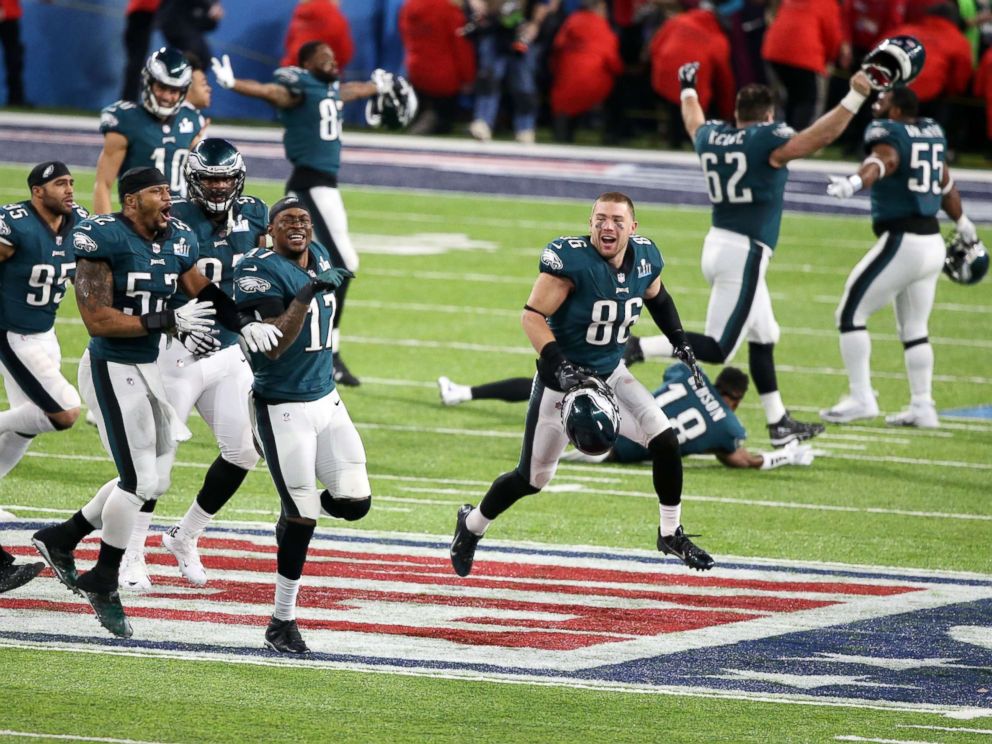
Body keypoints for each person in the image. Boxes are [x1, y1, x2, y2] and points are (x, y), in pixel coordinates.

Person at [30, 167, 281, 638]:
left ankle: (61, 538)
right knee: (140, 479)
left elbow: (203, 290)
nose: (168, 198)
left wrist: (242, 322)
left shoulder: (178, 238)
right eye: (157, 192)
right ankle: (104, 577)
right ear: (131, 201)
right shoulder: (101, 237)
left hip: (148, 369)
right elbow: (98, 320)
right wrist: (169, 319)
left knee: (155, 479)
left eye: (169, 190)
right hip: (111, 367)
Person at [449, 192, 715, 581]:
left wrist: (678, 338)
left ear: (633, 228)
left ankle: (669, 532)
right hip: (562, 385)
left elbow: (658, 296)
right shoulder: (570, 261)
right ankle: (471, 526)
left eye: (617, 221)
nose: (608, 227)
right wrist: (562, 367)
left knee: (665, 439)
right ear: (590, 223)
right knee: (532, 479)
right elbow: (531, 316)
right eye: (600, 219)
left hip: (611, 373)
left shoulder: (645, 257)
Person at [625, 64, 875, 447]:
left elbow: (694, 122)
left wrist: (688, 87)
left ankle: (778, 422)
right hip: (744, 251)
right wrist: (855, 96)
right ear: (769, 116)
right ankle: (637, 347)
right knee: (719, 347)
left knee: (765, 333)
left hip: (720, 244)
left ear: (737, 114)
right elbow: (816, 138)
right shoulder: (766, 141)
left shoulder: (713, 135)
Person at [115, 139, 269, 592]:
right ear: (193, 179)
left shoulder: (256, 213)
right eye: (211, 178)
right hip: (175, 351)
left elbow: (263, 267)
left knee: (245, 450)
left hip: (227, 351)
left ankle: (185, 536)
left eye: (226, 178)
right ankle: (130, 553)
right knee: (155, 461)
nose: (219, 187)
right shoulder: (170, 214)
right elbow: (144, 271)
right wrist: (167, 321)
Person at [211, 42, 397, 387]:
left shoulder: (329, 89)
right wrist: (233, 85)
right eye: (323, 57)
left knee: (348, 264)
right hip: (307, 185)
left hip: (327, 186)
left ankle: (317, 343)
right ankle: (320, 347)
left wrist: (377, 86)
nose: (332, 60)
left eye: (333, 55)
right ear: (307, 64)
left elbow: (351, 90)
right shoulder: (299, 91)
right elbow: (272, 92)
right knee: (333, 263)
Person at [233, 196, 368, 655]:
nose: (299, 226)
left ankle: (293, 512)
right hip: (282, 406)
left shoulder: (319, 253)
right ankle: (281, 621)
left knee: (354, 503)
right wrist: (308, 290)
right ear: (270, 229)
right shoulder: (257, 270)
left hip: (327, 401)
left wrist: (314, 280)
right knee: (304, 518)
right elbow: (273, 344)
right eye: (288, 220)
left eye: (304, 219)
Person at [820, 86, 979, 428]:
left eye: (883, 100)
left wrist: (854, 182)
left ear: (895, 112)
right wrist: (963, 222)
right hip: (932, 242)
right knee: (915, 328)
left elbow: (883, 161)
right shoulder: (932, 131)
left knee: (850, 313)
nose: (876, 103)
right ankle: (923, 406)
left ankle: (861, 397)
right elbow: (945, 183)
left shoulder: (888, 134)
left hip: (904, 241)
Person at [438, 365, 816, 469]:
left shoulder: (688, 374)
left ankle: (463, 392)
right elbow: (741, 459)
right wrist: (787, 455)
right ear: (736, 399)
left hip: (619, 413)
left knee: (552, 387)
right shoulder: (729, 427)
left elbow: (671, 380)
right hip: (615, 445)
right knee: (550, 430)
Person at [0, 162, 88, 597]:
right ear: (37, 191)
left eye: (71, 181)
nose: (70, 189)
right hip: (13, 333)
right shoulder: (13, 223)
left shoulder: (80, 223)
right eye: (60, 183)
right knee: (63, 413)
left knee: (22, 430)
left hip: (46, 333)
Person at [94, 47, 205, 215]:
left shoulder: (191, 120)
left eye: (174, 90)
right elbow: (103, 184)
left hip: (180, 222)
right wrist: (103, 231)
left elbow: (200, 179)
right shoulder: (126, 120)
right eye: (161, 87)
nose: (167, 97)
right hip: (139, 222)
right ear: (148, 82)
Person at [465, 0, 561, 144]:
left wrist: (535, 24)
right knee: (489, 78)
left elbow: (544, 3)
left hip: (522, 30)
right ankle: (482, 121)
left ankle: (525, 128)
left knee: (524, 83)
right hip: (494, 27)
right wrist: (479, 8)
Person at [649, 2, 735, 148]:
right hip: (694, 82)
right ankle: (691, 140)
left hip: (665, 72)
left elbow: (655, 45)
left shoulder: (679, 20)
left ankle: (673, 141)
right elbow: (723, 79)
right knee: (692, 109)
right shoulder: (718, 39)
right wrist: (728, 109)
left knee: (674, 108)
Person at [761, 0, 843, 130]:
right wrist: (829, 60)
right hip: (805, 55)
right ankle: (799, 142)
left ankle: (782, 139)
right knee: (809, 101)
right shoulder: (828, 3)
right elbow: (833, 35)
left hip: (774, 51)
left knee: (790, 99)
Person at [548, 0, 621, 143]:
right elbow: (611, 57)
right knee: (617, 96)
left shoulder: (571, 20)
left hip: (566, 78)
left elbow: (557, 46)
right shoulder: (600, 25)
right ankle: (611, 135)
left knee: (565, 104)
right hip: (594, 79)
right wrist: (621, 70)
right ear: (599, 8)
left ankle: (562, 134)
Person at [399, 0, 476, 135]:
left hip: (415, 72)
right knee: (444, 122)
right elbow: (461, 48)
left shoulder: (408, 7)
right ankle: (434, 119)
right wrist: (468, 78)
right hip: (444, 77)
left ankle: (425, 117)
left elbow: (405, 36)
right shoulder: (448, 10)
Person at [281, 0, 354, 72]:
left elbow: (288, 42)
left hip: (291, 70)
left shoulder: (301, 11)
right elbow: (344, 52)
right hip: (320, 74)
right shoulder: (332, 14)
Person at [156, 0, 223, 68]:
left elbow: (207, 24)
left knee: (203, 58)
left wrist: (212, 17)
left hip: (186, 32)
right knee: (196, 55)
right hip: (175, 27)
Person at [121, 0, 162, 101]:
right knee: (136, 63)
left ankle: (128, 100)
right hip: (143, 13)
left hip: (138, 13)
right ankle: (129, 101)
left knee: (135, 62)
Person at [0, 0, 25, 106]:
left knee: (14, 59)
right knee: (13, 57)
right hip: (5, 11)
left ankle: (15, 99)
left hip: (10, 16)